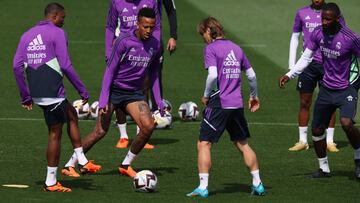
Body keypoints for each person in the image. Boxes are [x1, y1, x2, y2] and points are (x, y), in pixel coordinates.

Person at [62, 7, 163, 178]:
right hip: (114, 91)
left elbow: (153, 74)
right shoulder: (124, 41)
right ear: (137, 23)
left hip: (133, 93)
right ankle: (69, 164)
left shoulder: (155, 44)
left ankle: (126, 164)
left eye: (152, 27)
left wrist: (159, 101)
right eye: (145, 26)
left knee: (148, 126)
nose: (148, 31)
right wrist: (103, 100)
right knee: (100, 132)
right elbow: (110, 70)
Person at [12, 2, 101, 192]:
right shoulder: (58, 33)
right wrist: (82, 89)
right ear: (54, 16)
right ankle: (51, 182)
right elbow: (66, 65)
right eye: (63, 17)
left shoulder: (26, 35)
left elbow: (16, 66)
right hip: (52, 94)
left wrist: (26, 96)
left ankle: (82, 159)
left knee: (71, 115)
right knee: (55, 134)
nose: (64, 21)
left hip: (38, 93)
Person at [279, 3, 360, 178]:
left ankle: (359, 159)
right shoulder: (317, 33)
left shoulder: (350, 37)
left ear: (338, 19)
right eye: (322, 18)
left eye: (328, 19)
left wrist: (356, 82)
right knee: (316, 129)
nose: (323, 22)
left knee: (346, 123)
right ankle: (324, 169)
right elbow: (307, 56)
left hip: (346, 89)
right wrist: (290, 74)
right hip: (327, 89)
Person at [187, 17, 265, 198]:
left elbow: (213, 76)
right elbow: (252, 76)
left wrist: (206, 95)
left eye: (203, 34)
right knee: (242, 144)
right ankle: (258, 184)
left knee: (204, 144)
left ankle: (203, 187)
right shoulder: (237, 48)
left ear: (208, 31)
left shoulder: (211, 49)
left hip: (219, 103)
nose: (203, 39)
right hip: (236, 104)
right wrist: (253, 96)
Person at [105, 0, 163, 150]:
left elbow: (157, 26)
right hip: (123, 50)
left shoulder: (151, 1)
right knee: (119, 89)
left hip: (145, 48)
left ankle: (140, 133)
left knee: (143, 87)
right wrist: (107, 50)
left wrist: (155, 45)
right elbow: (110, 27)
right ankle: (123, 135)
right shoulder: (116, 2)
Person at [288, 0, 339, 152]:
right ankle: (302, 140)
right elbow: (295, 37)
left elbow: (342, 37)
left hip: (328, 64)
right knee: (304, 102)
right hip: (307, 64)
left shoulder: (332, 13)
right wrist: (292, 65)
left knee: (330, 102)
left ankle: (330, 141)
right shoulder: (302, 13)